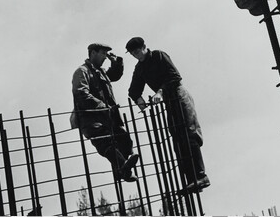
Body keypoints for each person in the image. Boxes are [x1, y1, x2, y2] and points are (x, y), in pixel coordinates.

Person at [125, 37, 209, 194]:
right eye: (132, 54)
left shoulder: (159, 56)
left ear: (144, 47)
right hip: (168, 103)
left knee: (188, 134)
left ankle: (201, 176)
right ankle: (191, 181)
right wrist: (139, 100)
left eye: (137, 51)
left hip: (179, 95)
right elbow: (133, 90)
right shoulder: (140, 68)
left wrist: (160, 91)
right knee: (177, 139)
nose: (136, 55)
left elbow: (174, 76)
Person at [71, 43, 139, 182]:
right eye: (103, 53)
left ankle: (122, 170)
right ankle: (122, 168)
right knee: (106, 144)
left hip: (107, 117)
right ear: (93, 53)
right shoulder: (82, 71)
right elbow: (81, 93)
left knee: (124, 140)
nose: (105, 57)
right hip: (91, 119)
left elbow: (113, 76)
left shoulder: (100, 72)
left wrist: (116, 63)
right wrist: (102, 106)